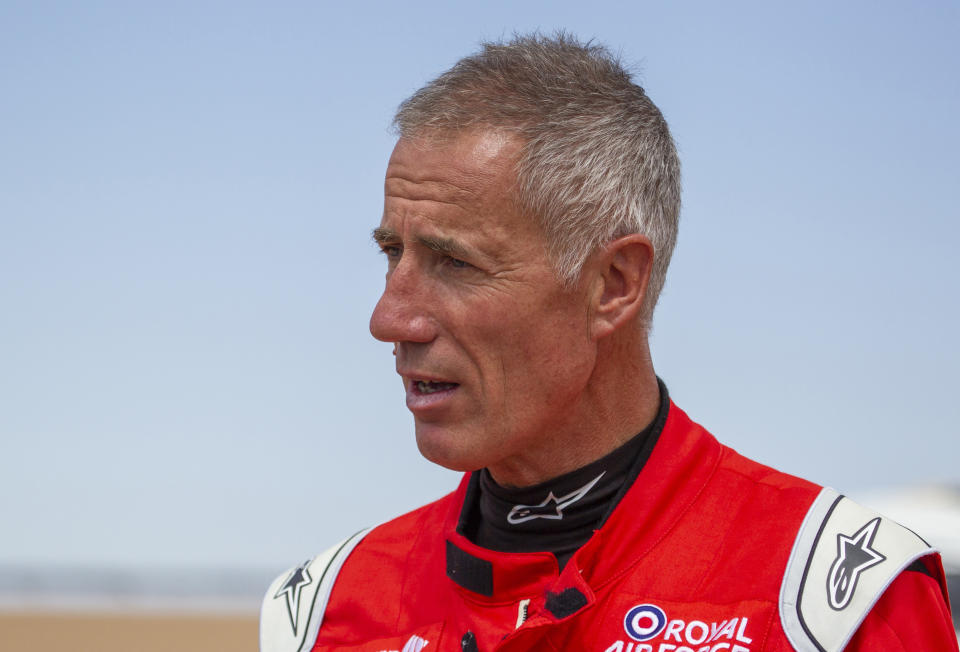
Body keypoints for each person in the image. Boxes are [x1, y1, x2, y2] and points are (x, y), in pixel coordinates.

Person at [260, 34, 956, 652]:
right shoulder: (319, 612)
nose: (390, 319)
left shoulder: (837, 603)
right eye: (393, 255)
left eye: (455, 263)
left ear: (614, 285)